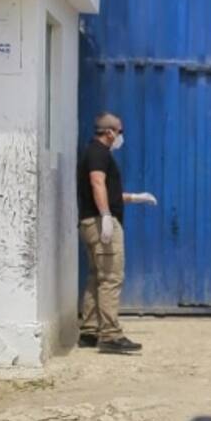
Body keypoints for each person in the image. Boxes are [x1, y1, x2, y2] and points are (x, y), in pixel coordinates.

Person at [76, 111, 158, 354]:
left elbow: (107, 192)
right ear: (110, 132)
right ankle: (111, 335)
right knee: (111, 278)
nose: (121, 136)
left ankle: (90, 331)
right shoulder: (99, 153)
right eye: (120, 131)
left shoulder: (93, 152)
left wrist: (134, 197)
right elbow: (97, 183)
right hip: (100, 223)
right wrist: (106, 215)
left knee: (96, 277)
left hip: (90, 222)